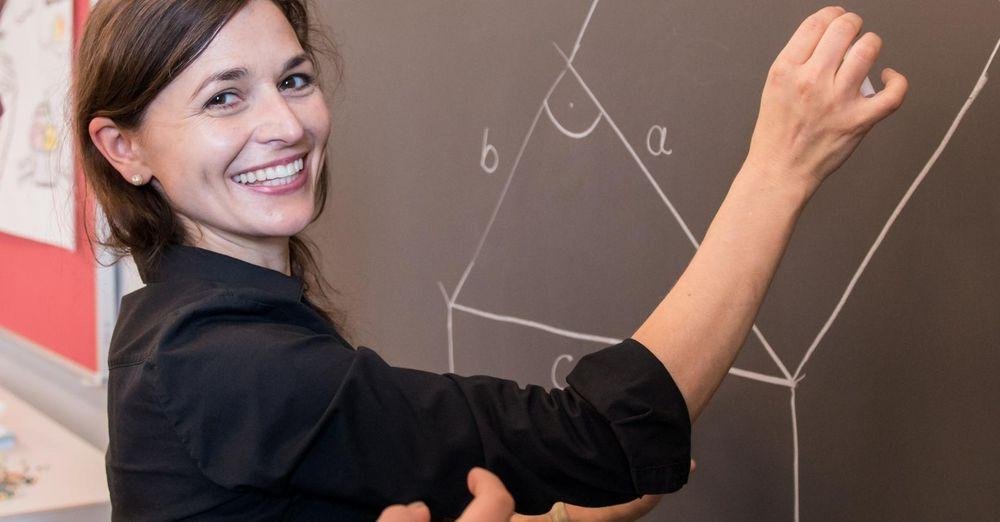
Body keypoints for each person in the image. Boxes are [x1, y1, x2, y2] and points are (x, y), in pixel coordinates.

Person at [75, 0, 906, 520]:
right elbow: (601, 439)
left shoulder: (175, 324)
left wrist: (569, 518)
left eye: (293, 79)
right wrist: (779, 169)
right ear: (125, 148)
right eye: (224, 96)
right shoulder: (222, 363)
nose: (287, 125)